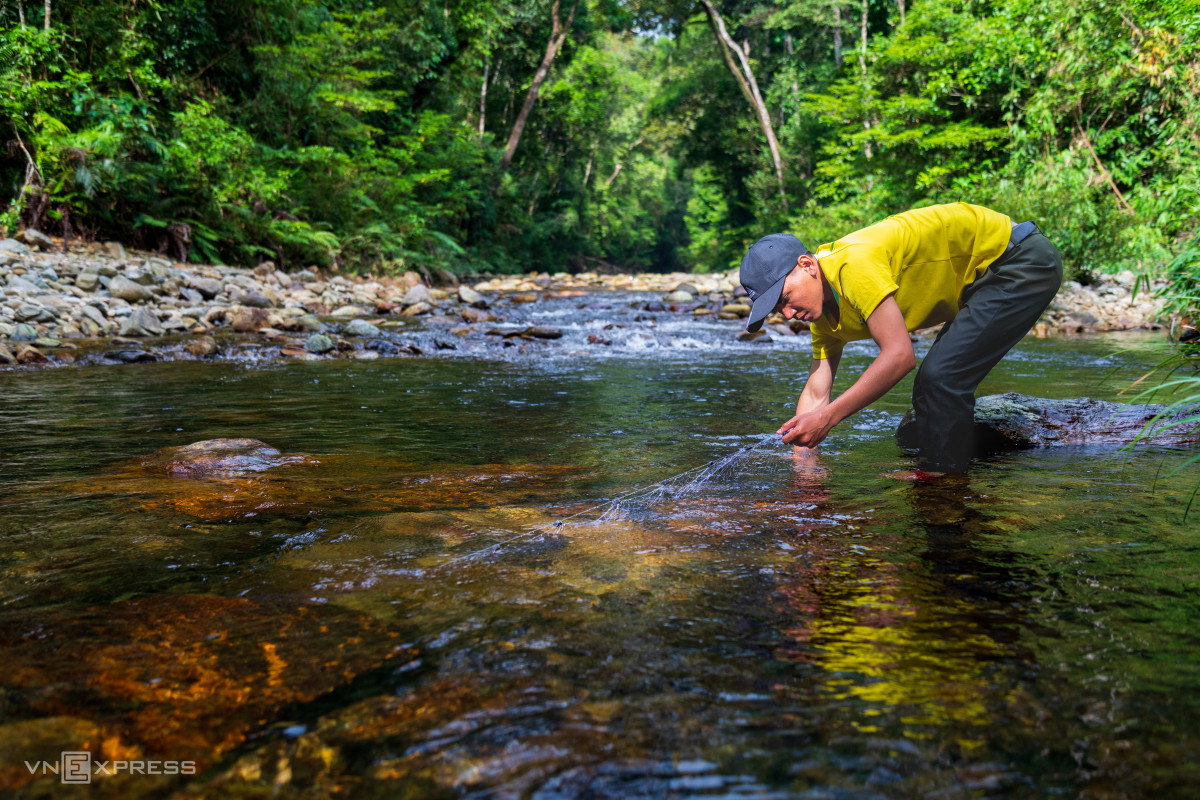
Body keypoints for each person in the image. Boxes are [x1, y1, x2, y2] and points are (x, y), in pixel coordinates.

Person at [739, 202, 1063, 472]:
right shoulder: (824, 319)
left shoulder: (853, 265)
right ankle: (938, 471)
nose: (788, 314)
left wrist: (829, 418)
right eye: (777, 310)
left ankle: (945, 483)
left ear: (807, 265)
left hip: (1018, 261)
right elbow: (815, 393)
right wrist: (805, 468)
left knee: (942, 377)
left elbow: (899, 356)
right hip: (981, 283)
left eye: (784, 299)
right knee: (929, 387)